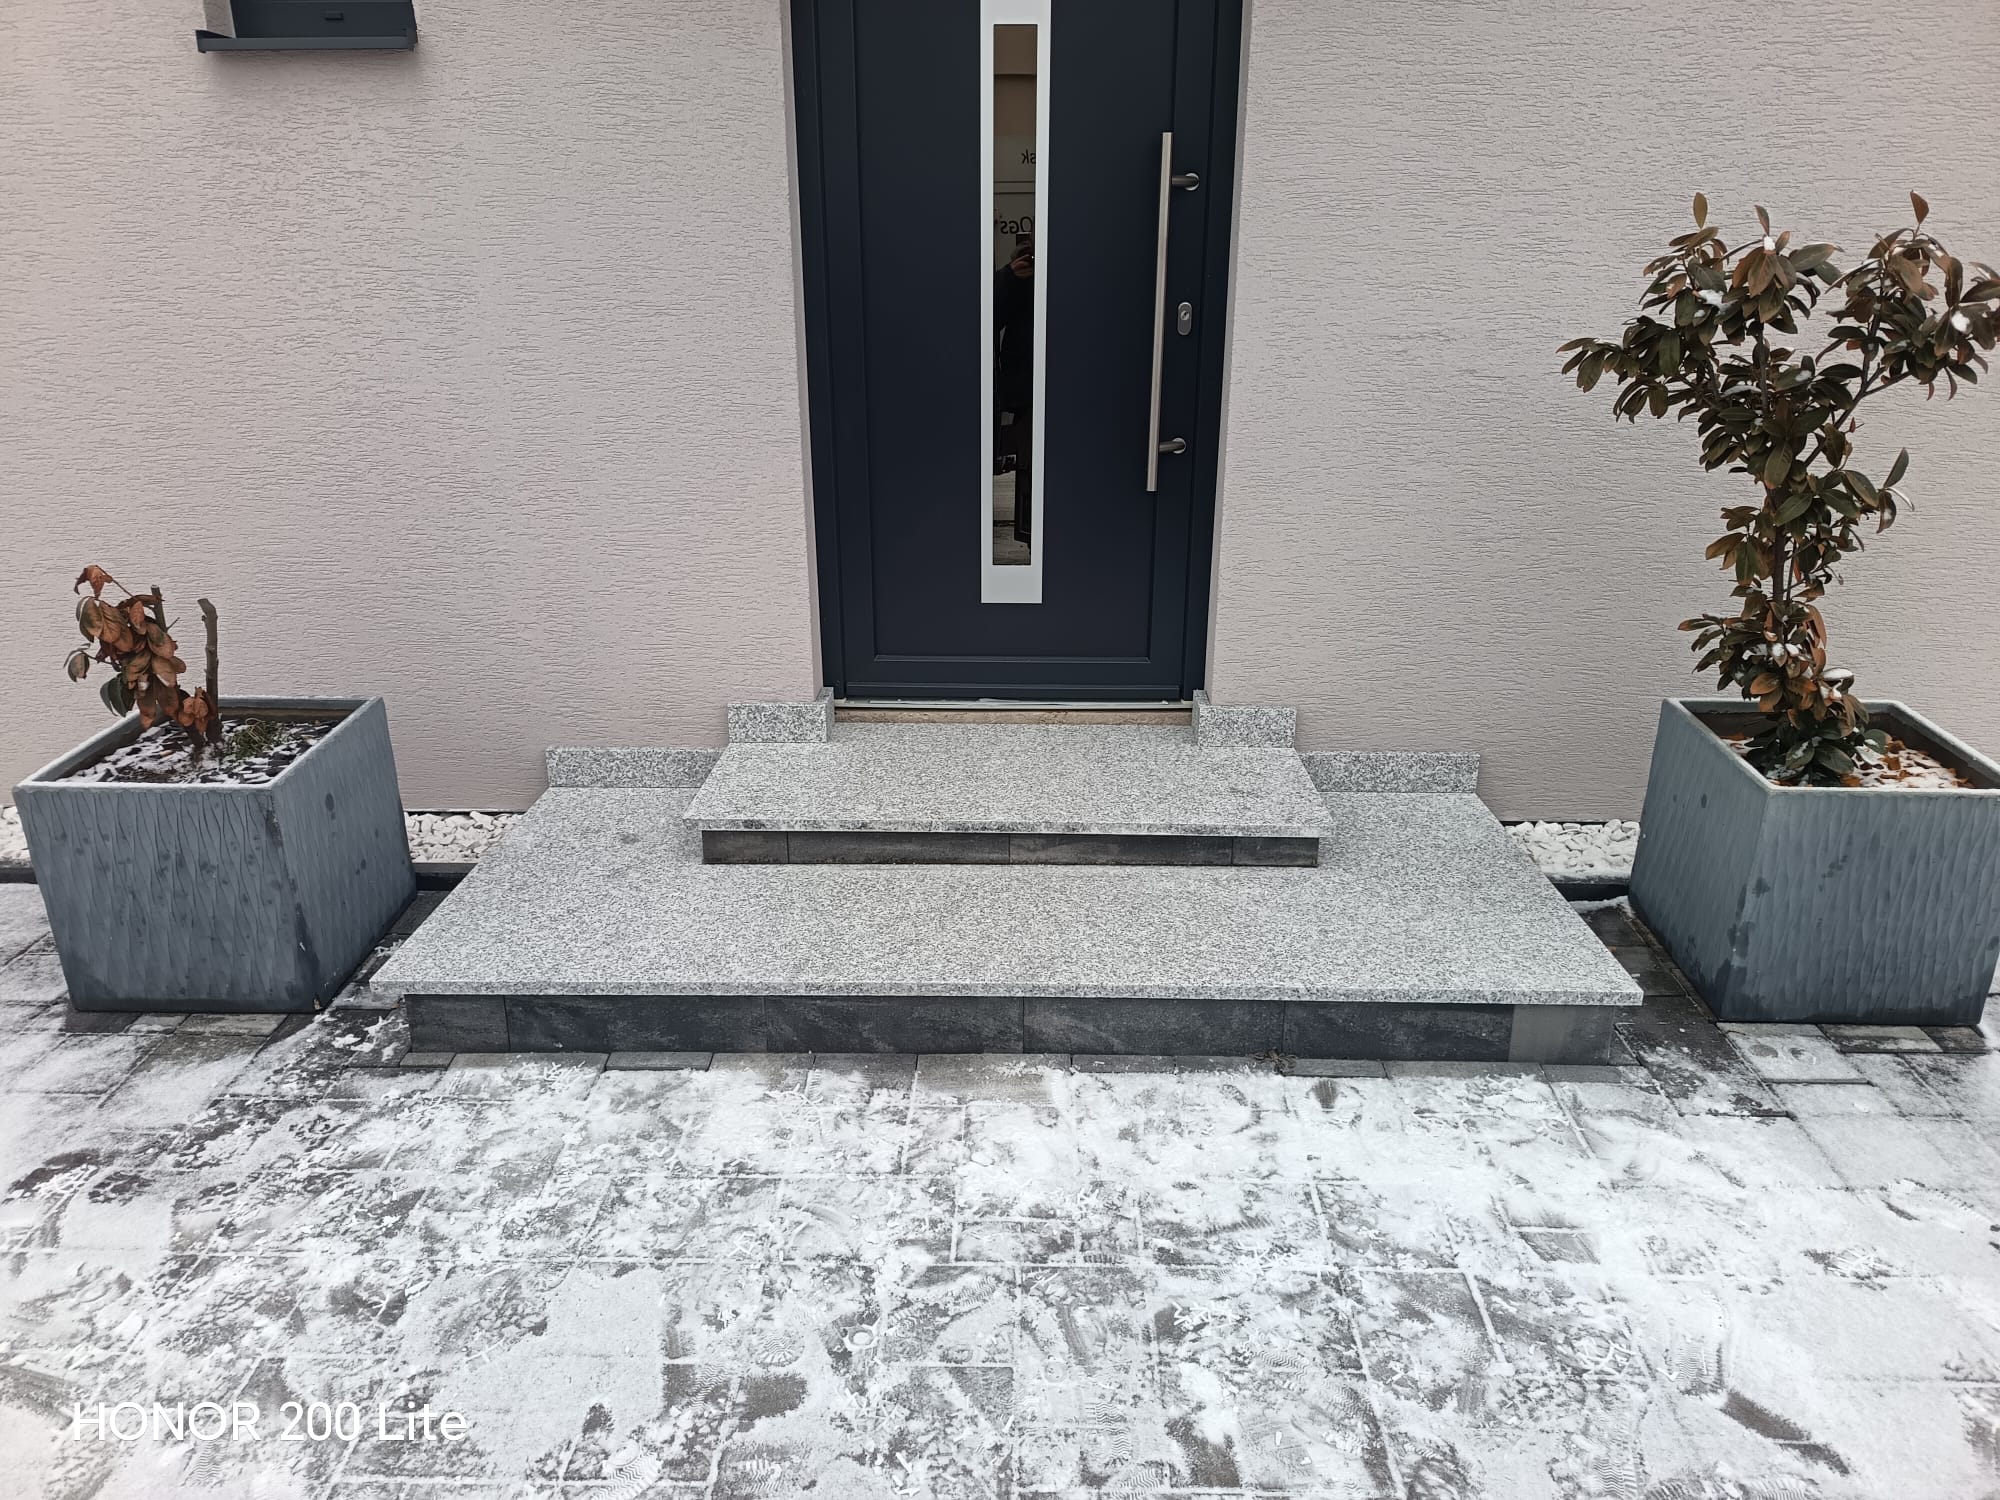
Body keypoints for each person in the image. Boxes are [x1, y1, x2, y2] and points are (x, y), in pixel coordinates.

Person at [994, 236, 1034, 545]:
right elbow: (987, 317)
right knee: (1028, 466)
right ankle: (1031, 535)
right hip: (1026, 389)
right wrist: (1009, 277)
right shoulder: (1015, 281)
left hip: (1059, 381)